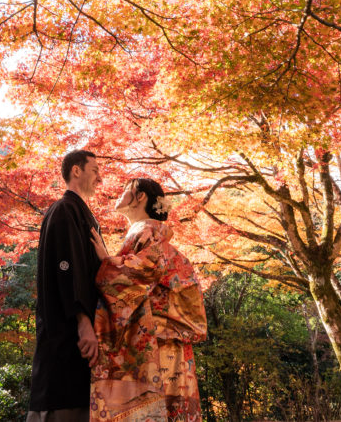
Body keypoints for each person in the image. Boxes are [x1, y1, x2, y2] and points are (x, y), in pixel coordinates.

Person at [89, 178, 207, 422]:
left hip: (160, 342)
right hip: (166, 339)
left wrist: (107, 262)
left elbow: (145, 271)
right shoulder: (148, 232)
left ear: (140, 196)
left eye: (125, 190)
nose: (119, 194)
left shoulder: (146, 230)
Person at [27, 149, 105, 422]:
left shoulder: (80, 213)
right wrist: (84, 323)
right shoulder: (63, 210)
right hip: (68, 336)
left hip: (82, 346)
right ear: (76, 170)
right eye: (95, 170)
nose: (100, 177)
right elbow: (67, 271)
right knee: (62, 407)